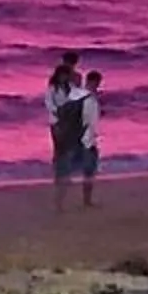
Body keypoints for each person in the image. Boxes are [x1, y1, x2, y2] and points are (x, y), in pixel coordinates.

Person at [47, 50, 84, 210]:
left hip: (70, 117)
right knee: (60, 146)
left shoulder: (74, 79)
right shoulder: (55, 84)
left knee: (69, 146)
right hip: (59, 119)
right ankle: (59, 173)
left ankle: (63, 172)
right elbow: (51, 103)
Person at [71, 67, 104, 209]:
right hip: (85, 139)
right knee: (88, 169)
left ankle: (87, 199)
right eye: (96, 83)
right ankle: (86, 200)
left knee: (89, 169)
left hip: (88, 137)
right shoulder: (86, 98)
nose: (97, 86)